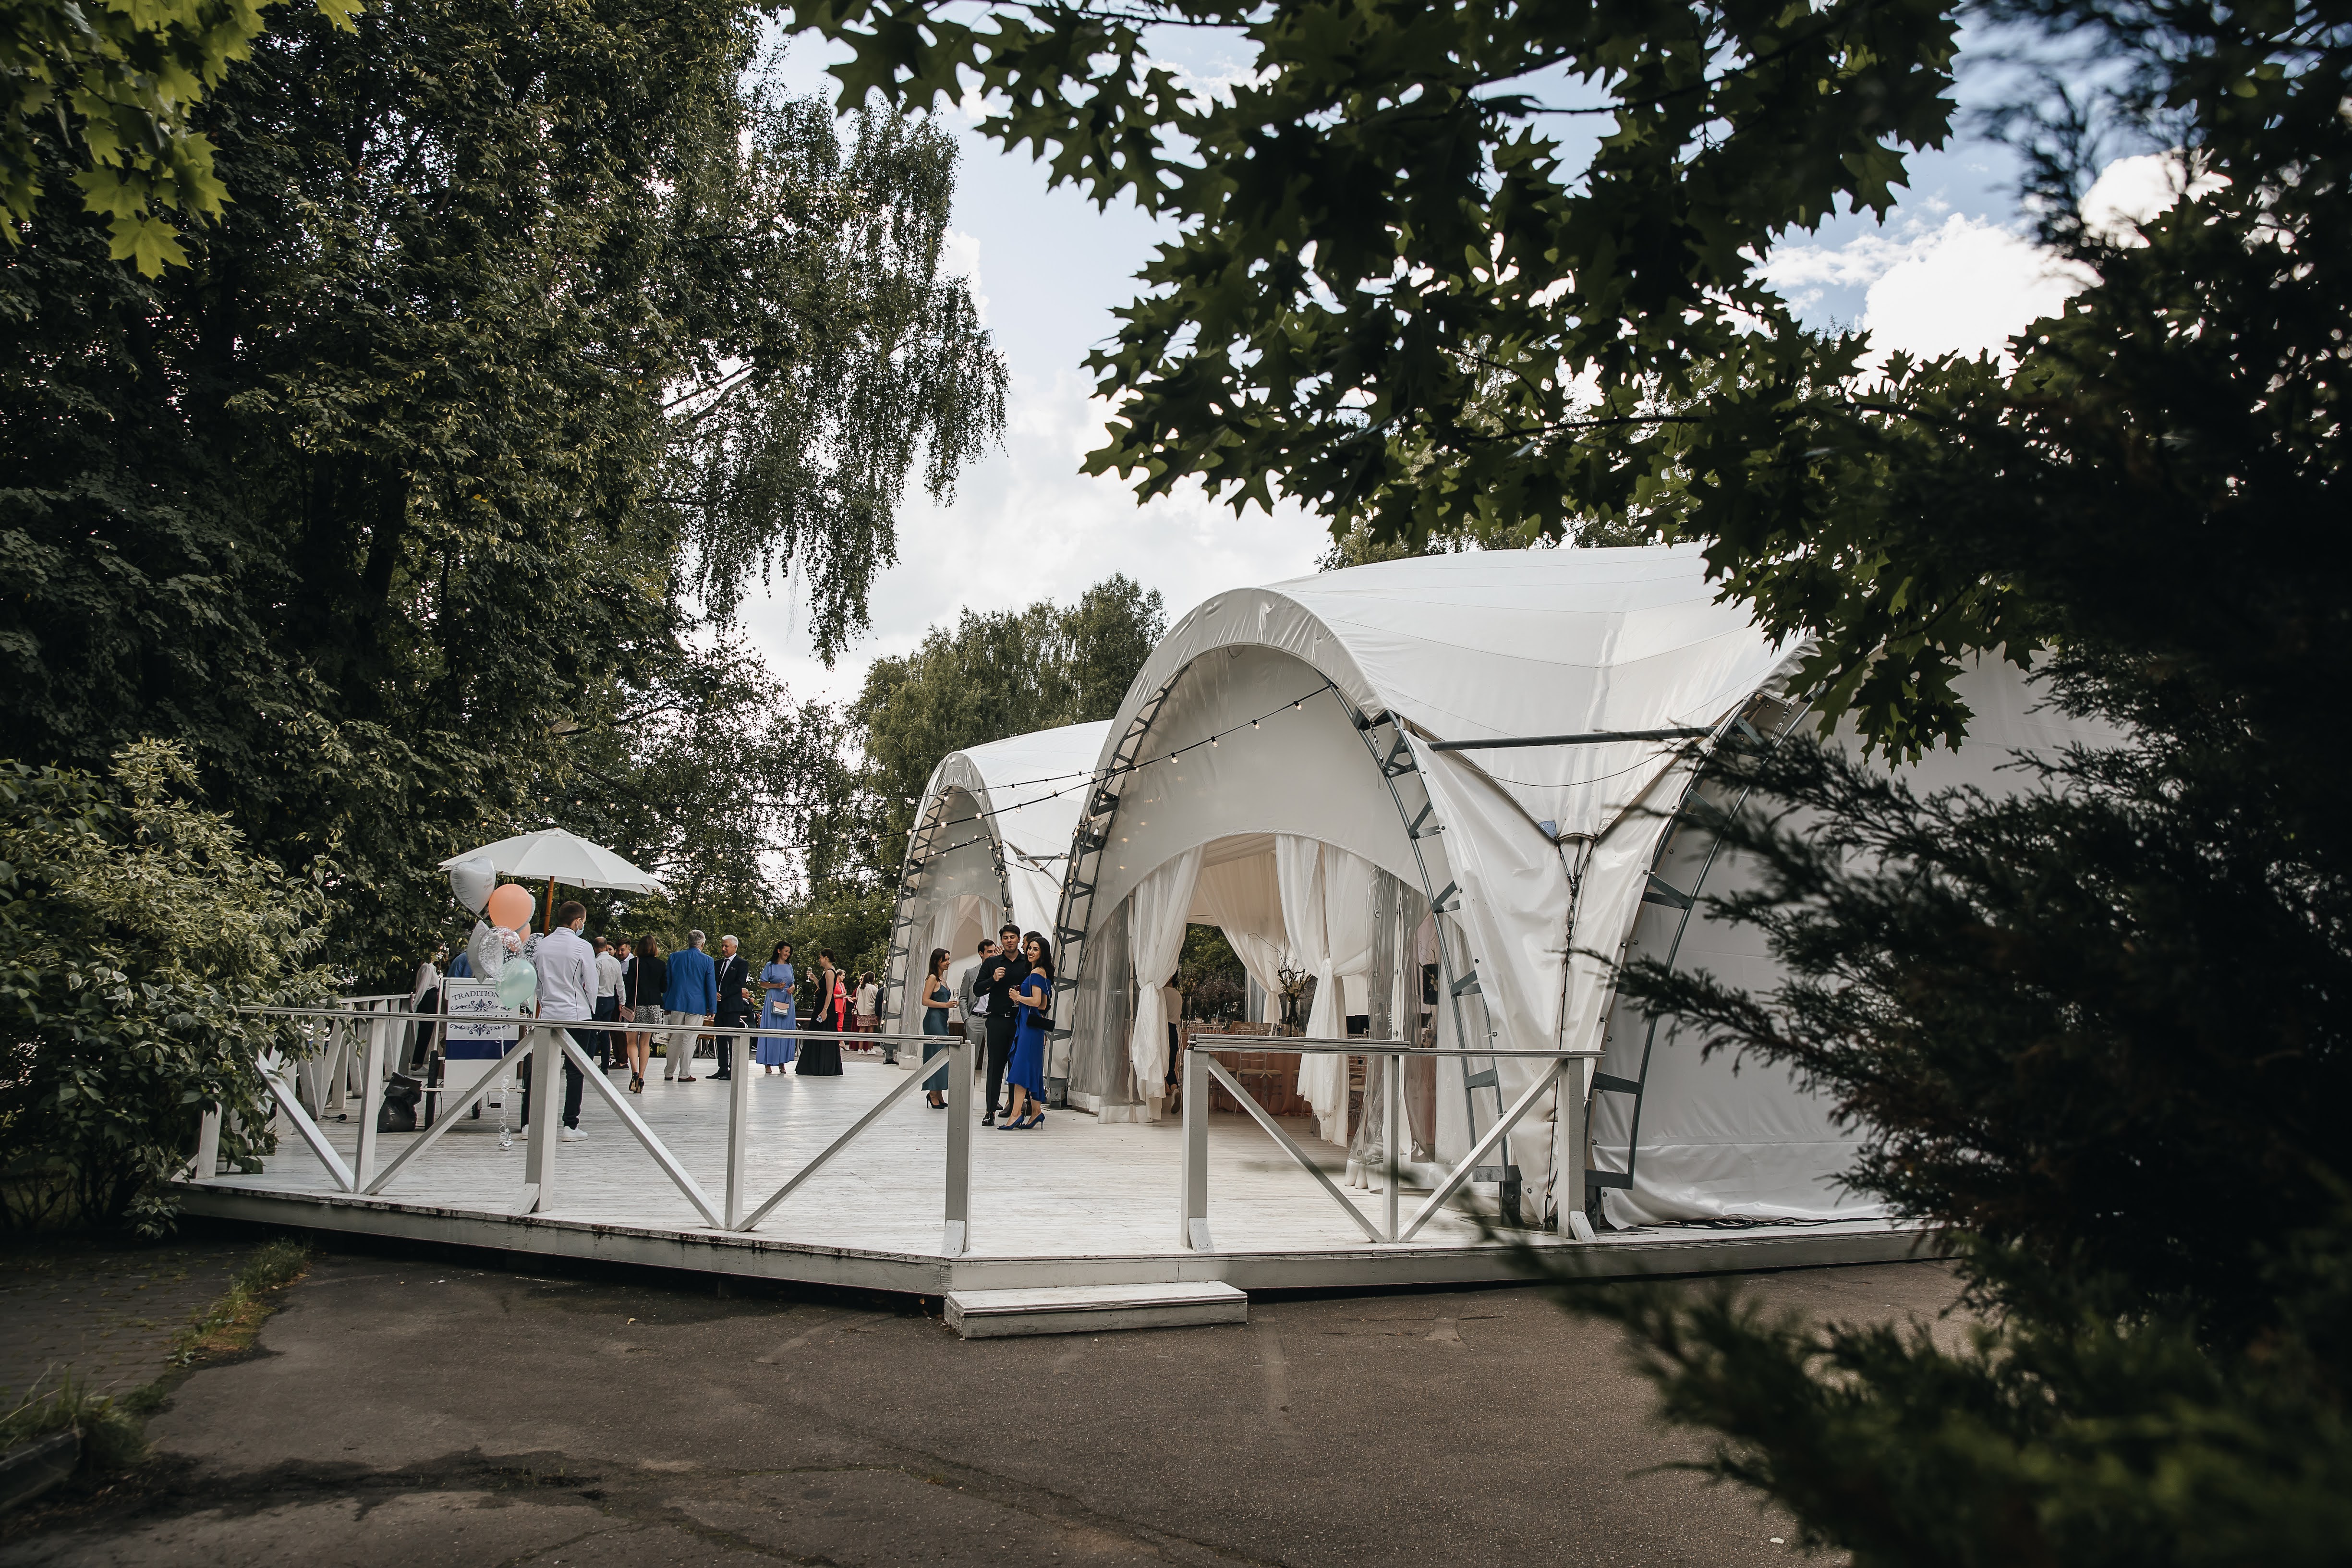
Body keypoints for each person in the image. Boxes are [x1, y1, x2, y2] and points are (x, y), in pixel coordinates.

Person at [523, 900, 598, 1142]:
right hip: (576, 1013)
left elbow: (536, 982)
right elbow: (591, 982)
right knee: (576, 1071)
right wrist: (592, 1009)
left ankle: (529, 1123)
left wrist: (544, 1003)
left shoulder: (541, 946)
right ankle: (570, 1126)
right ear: (578, 922)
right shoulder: (582, 946)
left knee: (540, 1070)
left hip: (548, 1013)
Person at [971, 923, 1029, 1126]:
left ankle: (1015, 1111)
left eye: (1013, 937)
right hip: (996, 1020)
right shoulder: (992, 963)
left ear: (1019, 939)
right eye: (1006, 938)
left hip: (1019, 1021)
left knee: (1016, 1066)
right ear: (1002, 941)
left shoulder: (1027, 963)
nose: (1009, 941)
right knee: (995, 1066)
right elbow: (977, 990)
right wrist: (993, 979)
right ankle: (990, 1111)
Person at [1000, 932, 1054, 1130]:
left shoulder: (1037, 973)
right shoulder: (1041, 973)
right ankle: (1036, 1111)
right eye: (1030, 948)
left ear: (1042, 953)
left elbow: (1038, 1002)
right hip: (1031, 1026)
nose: (1030, 952)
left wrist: (1018, 997)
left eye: (1035, 949)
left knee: (1021, 1069)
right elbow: (1043, 1005)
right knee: (1032, 1068)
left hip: (1029, 1028)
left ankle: (1016, 1115)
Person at [663, 928, 717, 1081]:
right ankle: (684, 1073)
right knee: (690, 1040)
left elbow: (668, 982)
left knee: (675, 1038)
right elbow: (710, 985)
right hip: (697, 1004)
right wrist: (712, 1007)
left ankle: (669, 1072)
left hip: (677, 1002)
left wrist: (666, 1003)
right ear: (702, 944)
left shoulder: (674, 957)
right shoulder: (708, 960)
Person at [623, 935, 668, 1093]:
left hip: (635, 1007)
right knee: (645, 1043)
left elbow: (629, 985)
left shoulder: (634, 963)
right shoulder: (661, 965)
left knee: (631, 1042)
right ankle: (642, 1076)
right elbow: (664, 987)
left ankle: (634, 1072)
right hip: (653, 1007)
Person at [795, 950, 845, 1076]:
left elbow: (829, 993)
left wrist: (825, 1010)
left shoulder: (830, 972)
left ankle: (820, 1066)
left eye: (821, 958)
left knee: (820, 1033)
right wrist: (815, 979)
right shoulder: (827, 971)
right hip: (822, 1005)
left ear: (826, 958)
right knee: (818, 1033)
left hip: (825, 1006)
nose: (819, 960)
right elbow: (823, 989)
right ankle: (818, 1065)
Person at [710, 935, 752, 1080]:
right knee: (720, 1038)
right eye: (722, 946)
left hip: (732, 1007)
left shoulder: (742, 964)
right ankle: (722, 1068)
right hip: (719, 1006)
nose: (723, 949)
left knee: (731, 1039)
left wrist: (722, 994)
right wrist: (714, 994)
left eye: (726, 946)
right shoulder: (717, 964)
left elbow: (739, 983)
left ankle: (732, 1070)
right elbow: (712, 981)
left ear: (735, 947)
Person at [920, 948, 954, 1108]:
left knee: (942, 1056)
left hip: (942, 1019)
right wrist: (946, 1005)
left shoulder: (942, 979)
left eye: (948, 959)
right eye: (945, 960)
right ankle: (933, 1093)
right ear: (936, 961)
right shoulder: (933, 978)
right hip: (934, 1020)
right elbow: (925, 1001)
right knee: (935, 1055)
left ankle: (938, 1091)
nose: (948, 962)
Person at [757, 942, 797, 1073]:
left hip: (787, 999)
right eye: (786, 951)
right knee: (771, 1030)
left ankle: (782, 1062)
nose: (788, 954)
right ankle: (768, 1062)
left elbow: (793, 983)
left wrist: (793, 988)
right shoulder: (770, 966)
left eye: (789, 952)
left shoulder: (790, 966)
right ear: (779, 951)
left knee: (784, 1031)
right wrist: (776, 986)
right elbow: (762, 983)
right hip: (773, 999)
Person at [592, 937, 625, 1070]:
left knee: (593, 1033)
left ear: (595, 948)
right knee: (606, 1033)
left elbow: (593, 984)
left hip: (598, 999)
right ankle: (605, 1066)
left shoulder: (597, 962)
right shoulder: (616, 962)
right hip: (611, 999)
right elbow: (620, 984)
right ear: (606, 947)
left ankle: (589, 1064)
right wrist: (622, 1001)